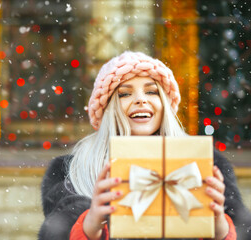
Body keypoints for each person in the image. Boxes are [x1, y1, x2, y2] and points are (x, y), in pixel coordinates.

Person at [38, 51, 251, 240]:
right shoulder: (71, 171)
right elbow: (55, 232)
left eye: (151, 91)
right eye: (125, 93)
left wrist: (220, 229)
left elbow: (242, 228)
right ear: (108, 108)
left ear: (165, 105)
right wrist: (90, 225)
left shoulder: (204, 164)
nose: (141, 100)